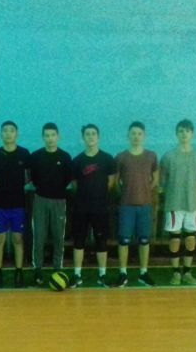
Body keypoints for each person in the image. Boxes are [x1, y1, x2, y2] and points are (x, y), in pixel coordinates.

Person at [159, 119, 196, 285]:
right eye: (181, 131)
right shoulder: (168, 156)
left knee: (190, 239)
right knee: (174, 239)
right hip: (174, 203)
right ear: (176, 134)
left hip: (192, 204)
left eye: (187, 131)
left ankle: (187, 272)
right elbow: (162, 180)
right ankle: (175, 273)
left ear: (192, 133)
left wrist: (190, 190)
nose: (184, 134)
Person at [70, 124, 116, 288]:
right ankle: (77, 275)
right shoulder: (77, 161)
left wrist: (98, 195)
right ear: (83, 137)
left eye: (93, 134)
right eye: (87, 134)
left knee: (101, 240)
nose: (90, 137)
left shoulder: (107, 159)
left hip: (100, 207)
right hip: (81, 207)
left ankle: (102, 275)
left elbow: (111, 182)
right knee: (79, 241)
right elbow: (74, 185)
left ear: (98, 137)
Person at [0, 121, 31, 288]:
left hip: (18, 205)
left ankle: (19, 273)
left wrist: (17, 185)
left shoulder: (24, 153)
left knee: (18, 239)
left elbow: (29, 176)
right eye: (5, 130)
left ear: (16, 134)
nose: (8, 133)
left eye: (11, 130)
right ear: (1, 134)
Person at [29, 122, 73, 286]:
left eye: (53, 135)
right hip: (40, 199)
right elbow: (34, 178)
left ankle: (57, 267)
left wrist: (57, 189)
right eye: (47, 135)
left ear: (58, 137)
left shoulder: (65, 157)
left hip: (59, 201)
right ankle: (38, 269)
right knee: (39, 235)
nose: (50, 138)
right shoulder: (36, 156)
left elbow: (68, 179)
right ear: (43, 137)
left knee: (58, 236)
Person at [116, 121, 159, 287]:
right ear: (128, 136)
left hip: (145, 206)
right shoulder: (121, 157)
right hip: (126, 206)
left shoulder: (151, 156)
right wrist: (126, 193)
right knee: (124, 241)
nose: (136, 136)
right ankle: (123, 273)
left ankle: (143, 273)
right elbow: (116, 181)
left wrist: (144, 190)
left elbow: (155, 179)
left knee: (144, 240)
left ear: (144, 136)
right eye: (133, 133)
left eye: (139, 133)